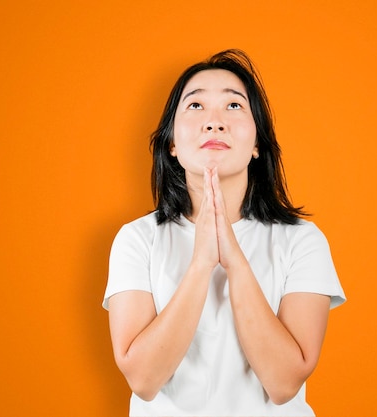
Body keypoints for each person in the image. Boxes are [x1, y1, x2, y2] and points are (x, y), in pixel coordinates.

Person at [102, 49, 346, 417]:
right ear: (171, 143)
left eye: (234, 106)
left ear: (258, 145)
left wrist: (235, 262)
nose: (214, 122)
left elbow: (283, 384)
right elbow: (143, 379)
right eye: (195, 105)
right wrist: (201, 263)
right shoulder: (136, 240)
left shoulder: (302, 240)